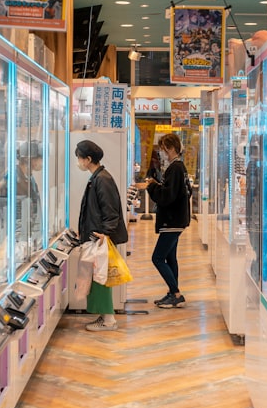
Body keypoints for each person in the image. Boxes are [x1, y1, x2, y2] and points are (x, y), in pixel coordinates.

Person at [75, 140, 128, 331]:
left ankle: (108, 320)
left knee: (100, 278)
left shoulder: (102, 179)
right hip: (96, 236)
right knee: (97, 277)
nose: (78, 162)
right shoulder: (97, 178)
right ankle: (104, 317)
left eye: (79, 158)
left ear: (88, 159)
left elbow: (110, 211)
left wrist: (105, 233)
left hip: (100, 238)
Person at [137, 133, 191, 308]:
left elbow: (167, 197)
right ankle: (171, 293)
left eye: (163, 149)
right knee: (170, 258)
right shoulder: (180, 168)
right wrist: (158, 185)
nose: (161, 152)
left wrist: (152, 186)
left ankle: (176, 293)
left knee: (158, 258)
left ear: (170, 148)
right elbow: (179, 192)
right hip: (177, 220)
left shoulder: (174, 168)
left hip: (171, 221)